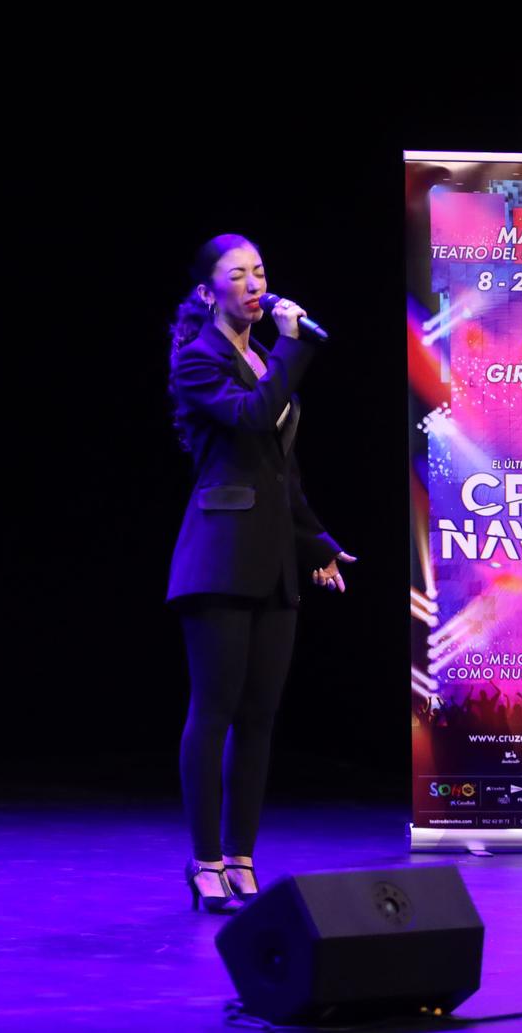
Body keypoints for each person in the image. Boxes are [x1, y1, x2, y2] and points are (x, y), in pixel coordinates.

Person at [165, 235, 350, 913]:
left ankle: (242, 854)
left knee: (260, 714)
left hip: (273, 554)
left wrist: (316, 543)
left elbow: (283, 471)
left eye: (261, 272)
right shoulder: (196, 359)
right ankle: (205, 859)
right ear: (208, 292)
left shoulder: (266, 359)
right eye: (237, 275)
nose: (254, 284)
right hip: (218, 551)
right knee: (213, 708)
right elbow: (246, 419)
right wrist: (297, 348)